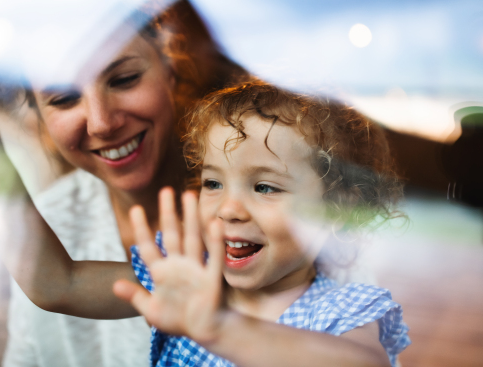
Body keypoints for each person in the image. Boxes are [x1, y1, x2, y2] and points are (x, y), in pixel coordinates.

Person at [0, 1, 246, 366]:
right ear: (38, 114)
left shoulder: (251, 208)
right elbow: (54, 286)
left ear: (170, 67)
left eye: (123, 79)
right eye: (64, 98)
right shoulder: (47, 228)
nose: (102, 123)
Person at [115, 80, 411, 366]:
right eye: (214, 182)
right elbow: (70, 284)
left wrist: (222, 329)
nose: (229, 209)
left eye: (265, 187)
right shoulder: (188, 280)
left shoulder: (337, 313)